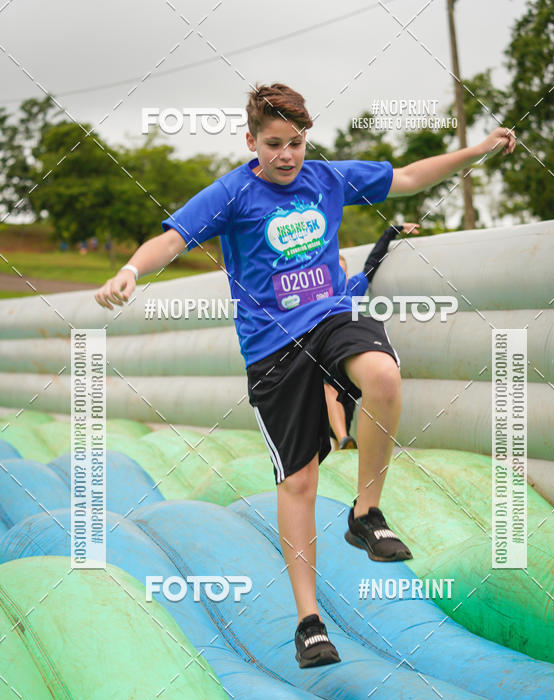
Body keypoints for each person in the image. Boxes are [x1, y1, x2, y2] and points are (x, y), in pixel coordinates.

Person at [94, 83, 515, 669]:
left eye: (296, 142)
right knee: (298, 483)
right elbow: (171, 237)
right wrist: (130, 271)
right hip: (273, 351)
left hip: (331, 316)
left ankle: (366, 514)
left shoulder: (328, 178)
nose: (287, 155)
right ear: (251, 142)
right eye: (274, 144)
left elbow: (413, 177)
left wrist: (479, 150)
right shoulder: (232, 194)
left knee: (384, 378)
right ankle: (309, 622)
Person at [325, 223, 420, 450]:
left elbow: (372, 263)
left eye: (343, 268)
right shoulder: (319, 294)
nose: (340, 272)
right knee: (327, 387)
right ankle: (342, 438)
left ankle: (343, 442)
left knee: (343, 402)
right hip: (325, 357)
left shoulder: (353, 288)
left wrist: (391, 231)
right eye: (334, 268)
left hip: (347, 355)